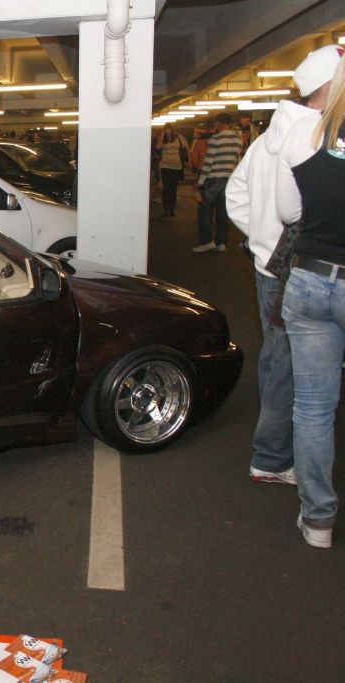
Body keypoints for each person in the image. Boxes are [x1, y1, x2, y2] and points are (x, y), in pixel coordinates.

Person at [225, 46, 340, 489]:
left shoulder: (267, 139)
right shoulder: (318, 138)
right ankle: (273, 457)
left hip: (271, 268)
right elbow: (299, 210)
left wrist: (261, 239)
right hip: (303, 268)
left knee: (278, 362)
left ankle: (273, 453)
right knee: (295, 371)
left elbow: (236, 195)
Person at [275, 47, 345, 549]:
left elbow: (287, 211)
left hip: (309, 278)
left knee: (314, 409)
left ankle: (318, 520)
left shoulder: (300, 134)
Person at [192, 112, 242, 252]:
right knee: (222, 212)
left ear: (220, 123)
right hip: (228, 179)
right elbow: (237, 160)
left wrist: (200, 181)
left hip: (213, 178)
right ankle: (221, 242)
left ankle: (207, 241)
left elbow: (208, 162)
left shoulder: (215, 139)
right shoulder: (237, 139)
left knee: (205, 211)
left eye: (216, 124)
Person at [154, 123, 188, 216]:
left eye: (169, 128)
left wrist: (189, 161)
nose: (168, 130)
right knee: (166, 187)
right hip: (165, 165)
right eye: (166, 129)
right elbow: (158, 147)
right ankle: (165, 209)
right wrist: (162, 135)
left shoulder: (179, 137)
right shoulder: (162, 138)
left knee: (174, 187)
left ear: (172, 129)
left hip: (177, 165)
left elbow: (186, 147)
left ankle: (172, 209)